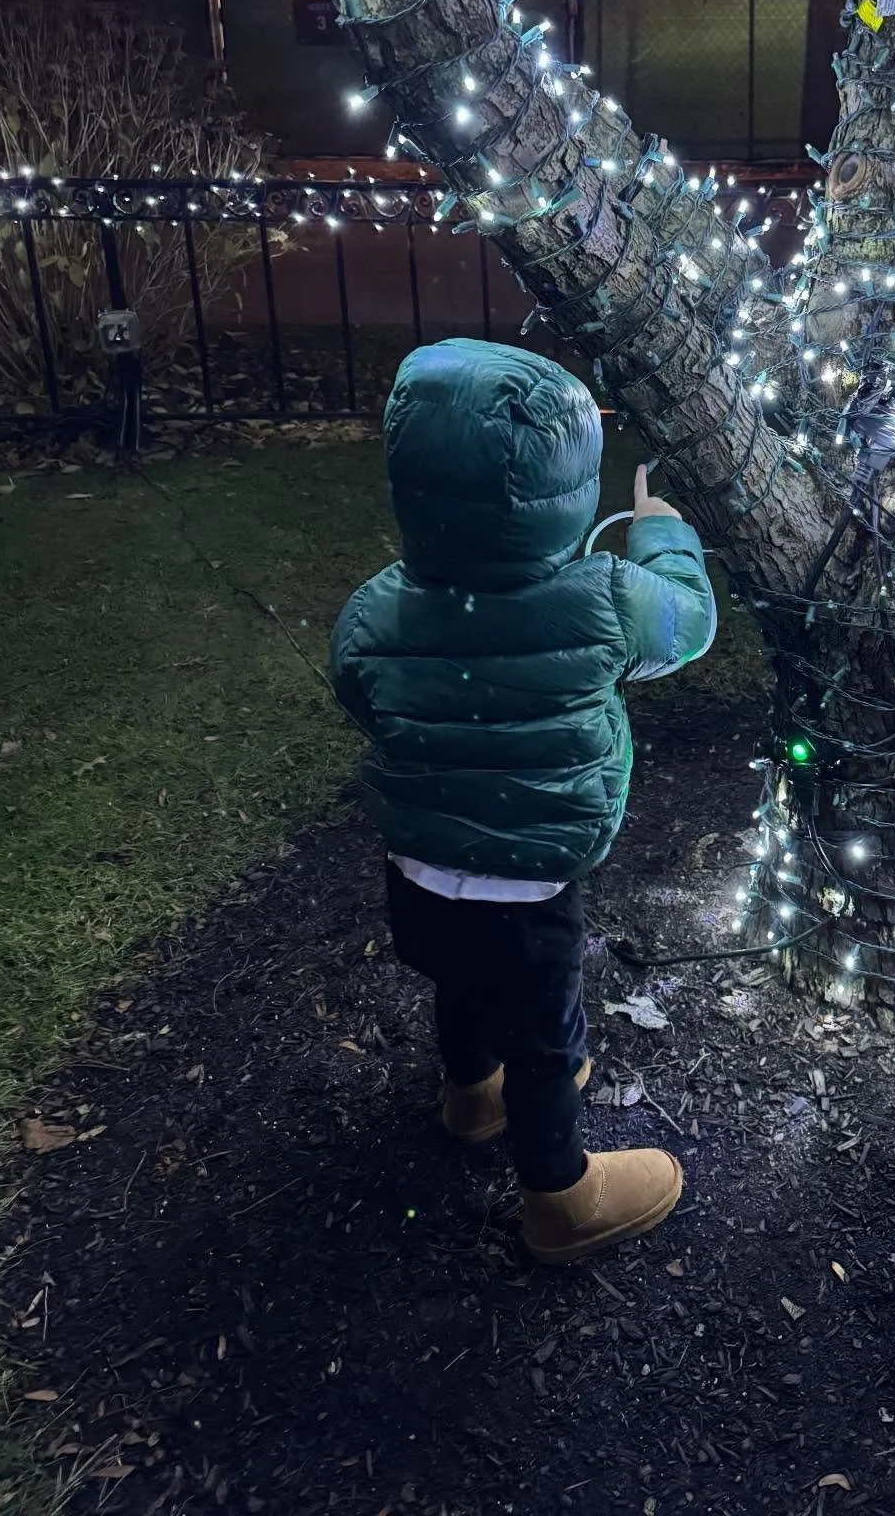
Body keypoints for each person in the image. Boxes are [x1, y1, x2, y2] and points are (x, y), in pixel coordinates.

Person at [330, 340, 715, 1262]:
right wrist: (660, 532)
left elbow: (359, 695)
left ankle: (470, 1096)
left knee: (459, 985)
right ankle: (561, 1198)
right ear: (566, 487)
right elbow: (690, 624)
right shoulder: (607, 598)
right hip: (531, 885)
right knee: (547, 1042)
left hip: (419, 872)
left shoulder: (373, 609)